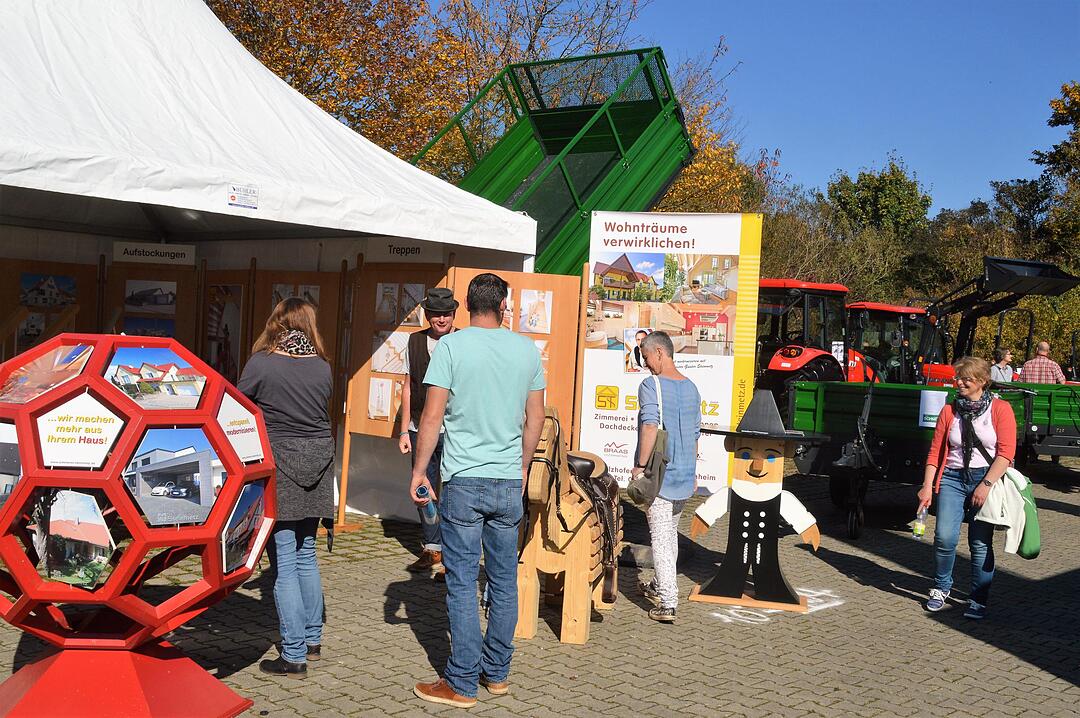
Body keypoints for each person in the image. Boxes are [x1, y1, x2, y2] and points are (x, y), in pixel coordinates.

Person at [411, 273, 546, 708]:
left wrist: (419, 471)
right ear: (503, 306)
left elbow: (431, 418)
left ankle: (462, 681)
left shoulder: (451, 346)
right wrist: (522, 465)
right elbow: (536, 419)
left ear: (467, 307)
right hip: (508, 480)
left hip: (463, 480)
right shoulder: (526, 349)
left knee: (463, 583)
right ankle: (498, 674)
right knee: (505, 582)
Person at [239, 298, 335, 678]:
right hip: (319, 462)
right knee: (307, 551)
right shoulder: (322, 367)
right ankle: (312, 639)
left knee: (284, 562)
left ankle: (293, 654)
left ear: (276, 322)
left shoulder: (262, 363)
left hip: (280, 463)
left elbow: (237, 404)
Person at [917, 356, 1016, 620]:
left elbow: (1006, 454)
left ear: (982, 382)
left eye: (966, 379)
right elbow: (935, 452)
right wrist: (927, 487)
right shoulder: (950, 410)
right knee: (944, 537)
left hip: (986, 477)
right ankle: (941, 587)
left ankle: (978, 598)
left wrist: (985, 484)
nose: (958, 382)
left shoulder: (1000, 409)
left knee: (980, 542)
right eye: (958, 378)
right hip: (951, 477)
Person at [632, 330, 701, 623]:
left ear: (659, 352)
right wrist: (694, 472)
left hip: (661, 475)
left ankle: (668, 602)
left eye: (646, 357)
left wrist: (639, 465)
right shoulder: (692, 388)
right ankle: (662, 584)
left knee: (660, 537)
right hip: (684, 475)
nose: (646, 364)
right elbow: (696, 434)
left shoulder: (652, 385)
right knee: (669, 532)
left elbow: (650, 427)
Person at [398, 287, 458, 573]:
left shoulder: (463, 342)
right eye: (436, 314)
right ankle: (432, 547)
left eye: (446, 313)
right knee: (422, 487)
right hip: (419, 427)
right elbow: (408, 388)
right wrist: (403, 430)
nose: (441, 319)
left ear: (454, 314)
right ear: (427, 314)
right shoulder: (413, 342)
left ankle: (452, 552)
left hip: (454, 429)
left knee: (452, 491)